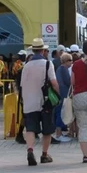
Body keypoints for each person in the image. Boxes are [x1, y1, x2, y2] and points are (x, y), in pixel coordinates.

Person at [21, 38, 59, 166]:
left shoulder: (26, 66)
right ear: (43, 50)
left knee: (30, 129)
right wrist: (58, 95)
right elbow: (54, 83)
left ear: (33, 50)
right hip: (45, 102)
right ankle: (44, 154)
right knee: (47, 130)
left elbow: (22, 85)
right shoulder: (47, 64)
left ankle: (30, 150)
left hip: (29, 102)